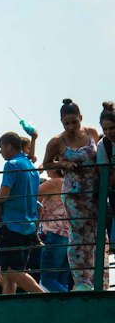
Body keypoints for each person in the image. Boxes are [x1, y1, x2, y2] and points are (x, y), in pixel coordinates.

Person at [41, 98, 104, 291]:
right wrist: (62, 164)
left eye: (74, 122)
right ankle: (80, 282)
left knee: (93, 235)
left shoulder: (92, 133)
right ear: (61, 122)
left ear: (81, 118)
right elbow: (46, 163)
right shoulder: (57, 141)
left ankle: (93, 278)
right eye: (66, 123)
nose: (71, 126)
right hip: (74, 194)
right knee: (77, 237)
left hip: (93, 191)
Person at [0, 131, 43, 295]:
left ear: (8, 146)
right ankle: (8, 311)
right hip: (28, 227)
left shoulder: (11, 164)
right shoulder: (31, 167)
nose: (0, 152)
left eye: (1, 148)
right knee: (10, 276)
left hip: (12, 226)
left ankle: (44, 298)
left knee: (9, 272)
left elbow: (4, 195)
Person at [37, 165, 72, 292]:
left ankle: (71, 307)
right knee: (61, 281)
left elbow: (29, 195)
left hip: (55, 234)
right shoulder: (69, 183)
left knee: (47, 280)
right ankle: (66, 310)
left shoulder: (53, 183)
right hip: (69, 235)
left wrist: (36, 172)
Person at [97, 102, 115, 251]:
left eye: (112, 128)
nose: (109, 132)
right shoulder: (104, 145)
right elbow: (104, 176)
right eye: (105, 129)